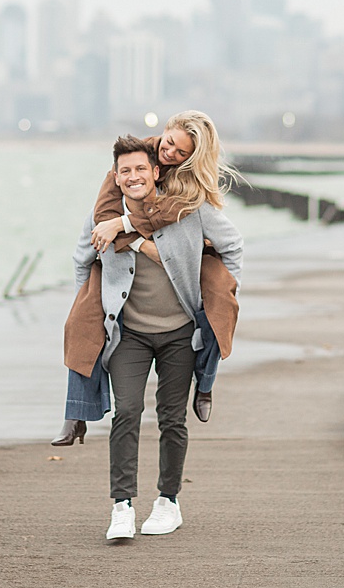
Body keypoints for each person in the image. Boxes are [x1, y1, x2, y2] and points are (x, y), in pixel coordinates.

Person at [69, 135, 242, 541]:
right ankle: (122, 506)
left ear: (156, 172)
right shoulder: (103, 216)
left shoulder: (187, 209)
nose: (133, 177)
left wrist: (221, 292)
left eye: (141, 169)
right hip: (128, 334)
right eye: (125, 171)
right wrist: (88, 308)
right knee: (126, 412)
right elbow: (81, 262)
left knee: (171, 418)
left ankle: (168, 501)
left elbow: (232, 246)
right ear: (115, 176)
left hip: (180, 333)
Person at [52, 110, 242, 446]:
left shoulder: (190, 183)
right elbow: (103, 213)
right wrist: (129, 239)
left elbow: (167, 213)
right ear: (165, 130)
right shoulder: (136, 159)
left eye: (181, 153)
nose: (171, 154)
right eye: (170, 144)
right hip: (125, 254)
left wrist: (229, 281)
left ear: (192, 158)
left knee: (220, 310)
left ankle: (206, 384)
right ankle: (75, 413)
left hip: (194, 260)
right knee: (81, 322)